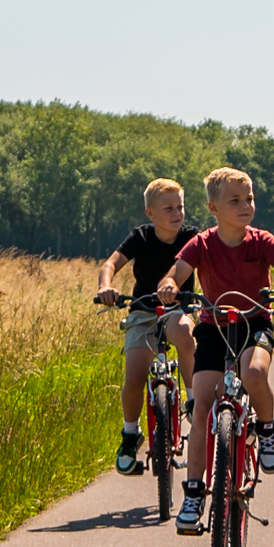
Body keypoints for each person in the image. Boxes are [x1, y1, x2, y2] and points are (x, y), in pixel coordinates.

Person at [160, 166, 274, 536]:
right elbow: (175, 274)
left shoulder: (261, 241)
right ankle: (195, 494)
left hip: (254, 324)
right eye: (235, 200)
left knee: (255, 373)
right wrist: (168, 286)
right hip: (214, 330)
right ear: (214, 208)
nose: (245, 205)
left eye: (249, 199)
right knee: (201, 407)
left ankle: (267, 431)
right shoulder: (200, 244)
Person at [91, 179, 198, 475]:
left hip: (179, 309)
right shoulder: (141, 237)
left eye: (180, 207)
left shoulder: (192, 237)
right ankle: (129, 435)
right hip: (143, 311)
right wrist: (106, 287)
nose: (177, 214)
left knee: (185, 336)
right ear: (150, 213)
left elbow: (210, 263)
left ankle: (192, 401)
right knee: (135, 374)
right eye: (168, 209)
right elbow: (110, 264)